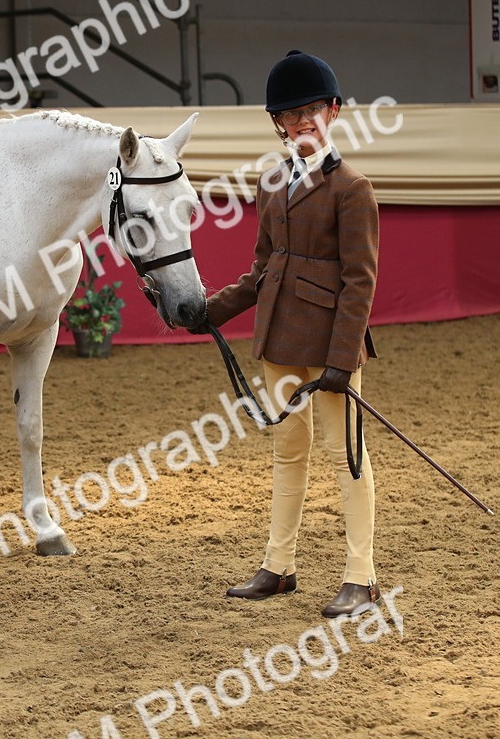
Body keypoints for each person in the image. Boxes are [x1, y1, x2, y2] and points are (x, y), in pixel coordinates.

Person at [204, 50, 381, 617]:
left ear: (333, 112)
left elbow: (359, 282)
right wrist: (211, 310)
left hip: (328, 346)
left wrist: (342, 358)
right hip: (279, 340)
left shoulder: (352, 189)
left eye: (312, 111)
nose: (302, 121)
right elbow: (263, 270)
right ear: (278, 122)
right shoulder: (271, 183)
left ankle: (361, 577)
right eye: (290, 114)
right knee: (287, 452)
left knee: (347, 455)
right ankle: (278, 566)